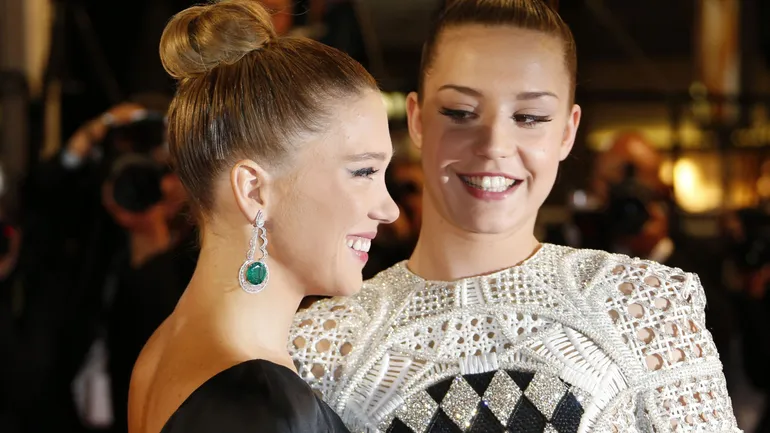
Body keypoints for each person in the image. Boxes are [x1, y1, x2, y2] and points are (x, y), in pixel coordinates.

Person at [288, 1, 741, 432]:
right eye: (461, 112)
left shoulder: (645, 309)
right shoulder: (323, 345)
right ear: (417, 120)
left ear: (567, 132)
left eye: (529, 117)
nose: (493, 145)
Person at [127, 1, 398, 432]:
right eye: (363, 171)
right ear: (254, 189)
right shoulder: (257, 401)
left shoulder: (164, 348)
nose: (389, 209)